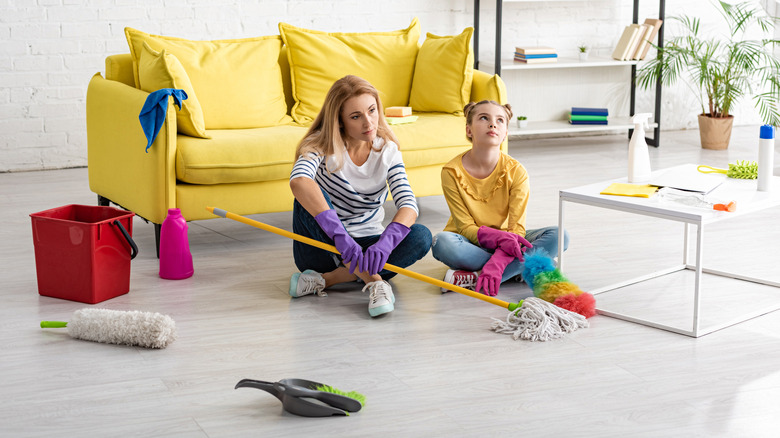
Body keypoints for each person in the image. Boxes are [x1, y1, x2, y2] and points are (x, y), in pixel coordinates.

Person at [288, 75, 432, 317]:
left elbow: (408, 204)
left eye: (372, 111)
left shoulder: (388, 150)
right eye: (356, 116)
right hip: (322, 248)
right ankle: (376, 282)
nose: (369, 122)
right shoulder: (319, 146)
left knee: (421, 236)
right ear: (341, 122)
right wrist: (341, 238)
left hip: (369, 246)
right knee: (308, 193)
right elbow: (299, 181)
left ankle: (328, 280)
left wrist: (386, 243)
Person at [431, 100, 569, 296]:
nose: (493, 124)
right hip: (470, 241)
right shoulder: (451, 171)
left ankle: (476, 278)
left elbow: (517, 229)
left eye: (500, 120)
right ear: (469, 130)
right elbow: (465, 227)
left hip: (512, 239)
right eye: (484, 118)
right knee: (441, 242)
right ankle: (520, 267)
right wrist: (500, 243)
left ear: (505, 133)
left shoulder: (517, 171)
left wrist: (497, 262)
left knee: (561, 235)